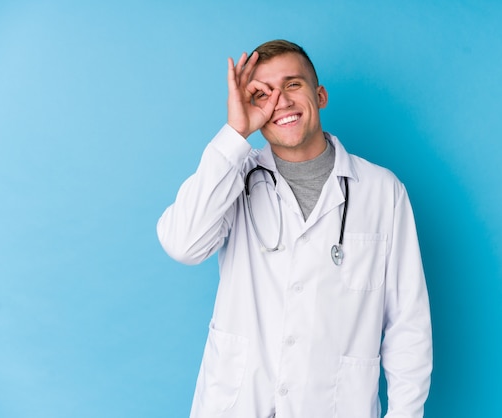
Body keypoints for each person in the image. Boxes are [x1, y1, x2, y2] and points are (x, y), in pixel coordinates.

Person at [157, 39, 432, 418]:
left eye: (293, 85)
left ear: (320, 95)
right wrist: (235, 134)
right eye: (262, 93)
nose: (280, 102)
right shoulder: (233, 177)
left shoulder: (382, 191)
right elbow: (182, 244)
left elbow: (408, 324)